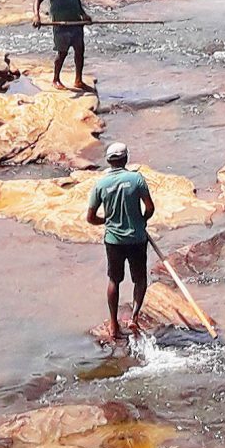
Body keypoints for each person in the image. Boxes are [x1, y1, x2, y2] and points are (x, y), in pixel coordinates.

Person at [85, 140, 155, 341]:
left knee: (114, 279)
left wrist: (106, 221)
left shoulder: (101, 184)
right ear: (126, 159)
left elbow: (90, 218)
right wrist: (142, 220)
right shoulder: (137, 179)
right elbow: (150, 208)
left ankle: (113, 324)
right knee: (139, 279)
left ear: (109, 162)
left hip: (113, 240)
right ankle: (134, 317)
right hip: (137, 238)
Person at [35, 0, 92, 96]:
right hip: (61, 25)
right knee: (62, 53)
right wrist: (36, 16)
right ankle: (56, 79)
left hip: (76, 23)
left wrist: (83, 14)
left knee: (80, 51)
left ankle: (78, 80)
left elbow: (76, 1)